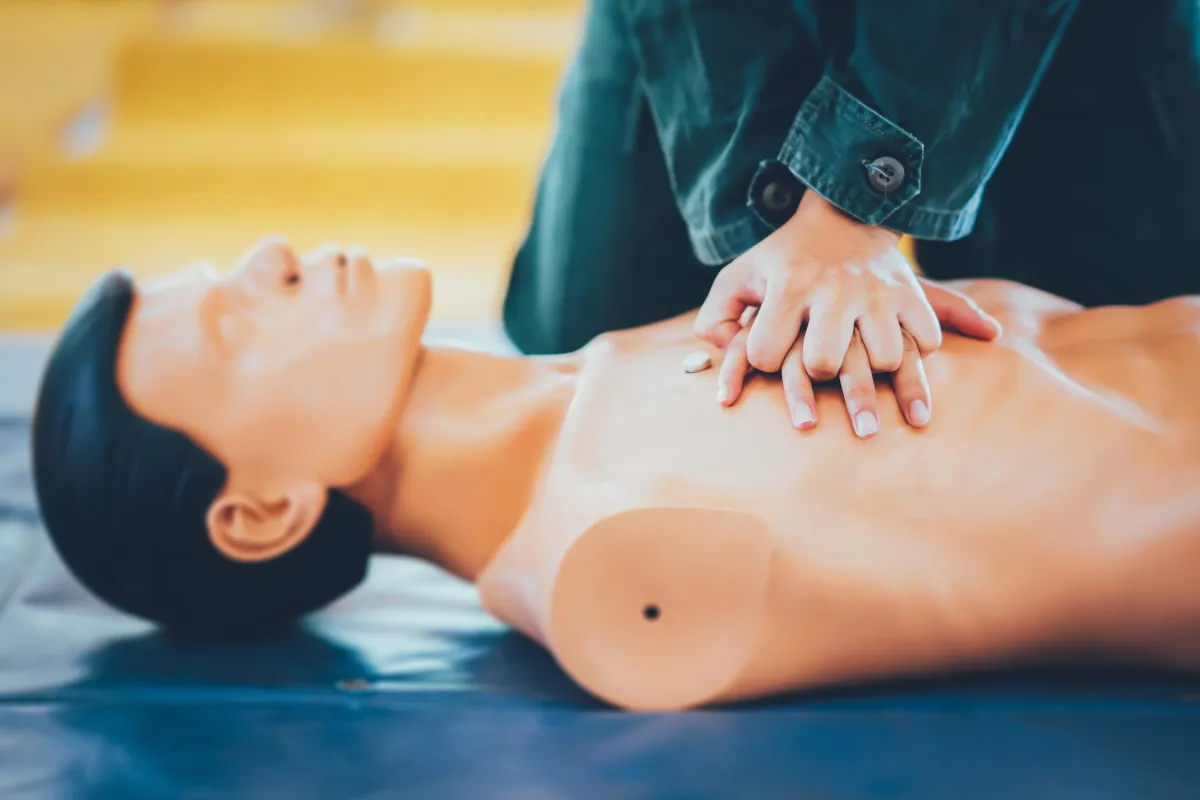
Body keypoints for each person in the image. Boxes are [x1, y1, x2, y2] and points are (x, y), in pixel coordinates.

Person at [30, 238, 1200, 710]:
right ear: (263, 510)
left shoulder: (588, 383)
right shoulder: (615, 568)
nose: (269, 256)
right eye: (233, 326)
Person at [503, 0, 1200, 437]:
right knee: (599, 357)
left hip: (1059, 27)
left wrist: (850, 206)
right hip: (709, 29)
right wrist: (784, 240)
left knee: (1135, 395)